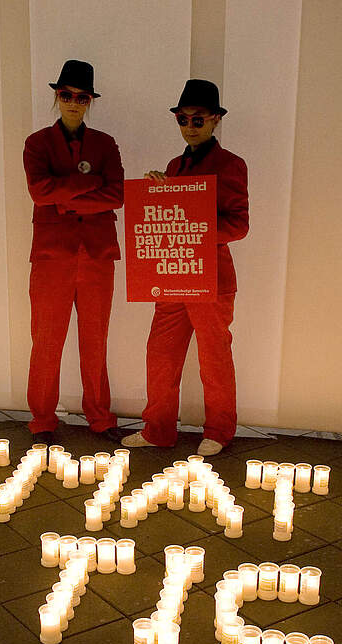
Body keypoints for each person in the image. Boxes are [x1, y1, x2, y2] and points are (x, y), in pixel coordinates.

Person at [124, 79, 248, 456]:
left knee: (214, 358)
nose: (190, 126)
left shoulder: (231, 165)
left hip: (211, 278)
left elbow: (239, 225)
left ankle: (220, 430)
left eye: (198, 120)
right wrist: (156, 193)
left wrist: (195, 225)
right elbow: (167, 220)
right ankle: (158, 428)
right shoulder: (174, 166)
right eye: (183, 119)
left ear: (214, 121)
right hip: (174, 276)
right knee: (160, 355)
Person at [23, 59, 125, 445]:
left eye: (81, 97)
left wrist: (65, 198)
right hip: (52, 256)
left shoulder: (105, 143)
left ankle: (100, 416)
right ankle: (42, 420)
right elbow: (38, 192)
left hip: (98, 254)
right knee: (46, 339)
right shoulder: (36, 143)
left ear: (89, 101)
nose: (73, 103)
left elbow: (116, 194)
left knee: (95, 339)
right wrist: (90, 184)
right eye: (66, 95)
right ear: (57, 97)